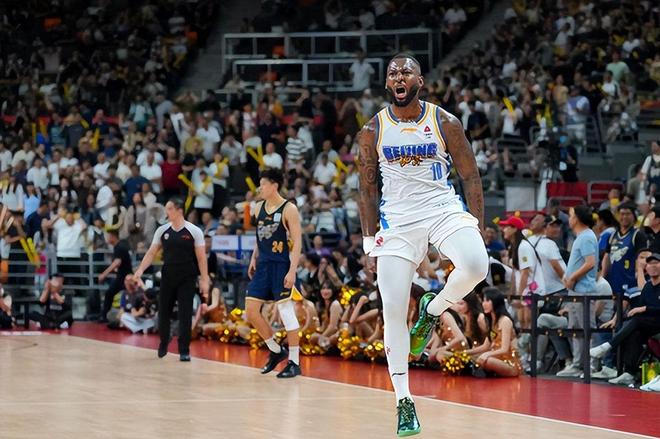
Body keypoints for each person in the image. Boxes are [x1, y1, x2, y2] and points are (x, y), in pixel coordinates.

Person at [357, 53, 488, 436]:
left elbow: (470, 176)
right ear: (387, 84)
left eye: (406, 72)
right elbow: (366, 187)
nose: (399, 77)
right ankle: (404, 401)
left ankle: (434, 307)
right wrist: (368, 239)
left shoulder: (445, 122)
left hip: (441, 207)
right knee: (394, 310)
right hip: (396, 222)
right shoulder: (373, 129)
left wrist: (477, 227)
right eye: (393, 73)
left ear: (420, 81)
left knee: (476, 265)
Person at [130, 197, 210, 361]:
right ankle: (164, 341)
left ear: (179, 210)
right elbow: (151, 253)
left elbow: (202, 258)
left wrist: (204, 280)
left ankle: (184, 350)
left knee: (185, 313)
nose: (166, 212)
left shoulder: (194, 231)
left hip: (187, 276)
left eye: (169, 208)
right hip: (168, 276)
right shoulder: (162, 231)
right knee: (164, 311)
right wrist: (140, 270)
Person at [246, 168, 303, 378]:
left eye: (263, 184)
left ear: (274, 186)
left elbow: (297, 242)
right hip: (262, 264)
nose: (259, 188)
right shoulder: (258, 208)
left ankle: (294, 362)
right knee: (251, 311)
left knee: (286, 312)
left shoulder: (289, 209)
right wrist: (254, 257)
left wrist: (292, 270)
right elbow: (261, 236)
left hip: (281, 265)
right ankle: (276, 350)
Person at [591, 252, 660, 385]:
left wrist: (645, 309)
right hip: (648, 324)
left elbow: (647, 308)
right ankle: (629, 372)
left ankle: (607, 346)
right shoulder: (647, 287)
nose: (653, 266)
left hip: (657, 322)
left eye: (656, 263)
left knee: (637, 321)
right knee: (634, 331)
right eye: (650, 263)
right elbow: (639, 307)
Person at [556, 206, 599, 377]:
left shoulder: (587, 236)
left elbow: (590, 262)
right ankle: (578, 364)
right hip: (576, 290)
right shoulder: (582, 237)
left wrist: (572, 277)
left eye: (571, 215)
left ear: (578, 218)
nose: (569, 218)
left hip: (584, 290)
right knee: (575, 327)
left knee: (586, 327)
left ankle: (591, 365)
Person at [477, 288, 522, 377]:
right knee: (473, 358)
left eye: (487, 301)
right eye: (483, 301)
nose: (484, 304)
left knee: (487, 360)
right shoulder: (492, 321)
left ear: (496, 301)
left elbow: (504, 349)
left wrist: (487, 354)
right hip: (497, 359)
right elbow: (485, 346)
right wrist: (464, 353)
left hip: (510, 363)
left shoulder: (505, 320)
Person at [99, 230, 133, 322]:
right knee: (110, 294)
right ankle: (105, 316)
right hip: (122, 276)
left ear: (113, 236)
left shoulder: (120, 247)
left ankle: (105, 316)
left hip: (125, 278)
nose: (107, 238)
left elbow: (117, 262)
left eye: (108, 236)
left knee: (110, 293)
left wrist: (104, 274)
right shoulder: (118, 246)